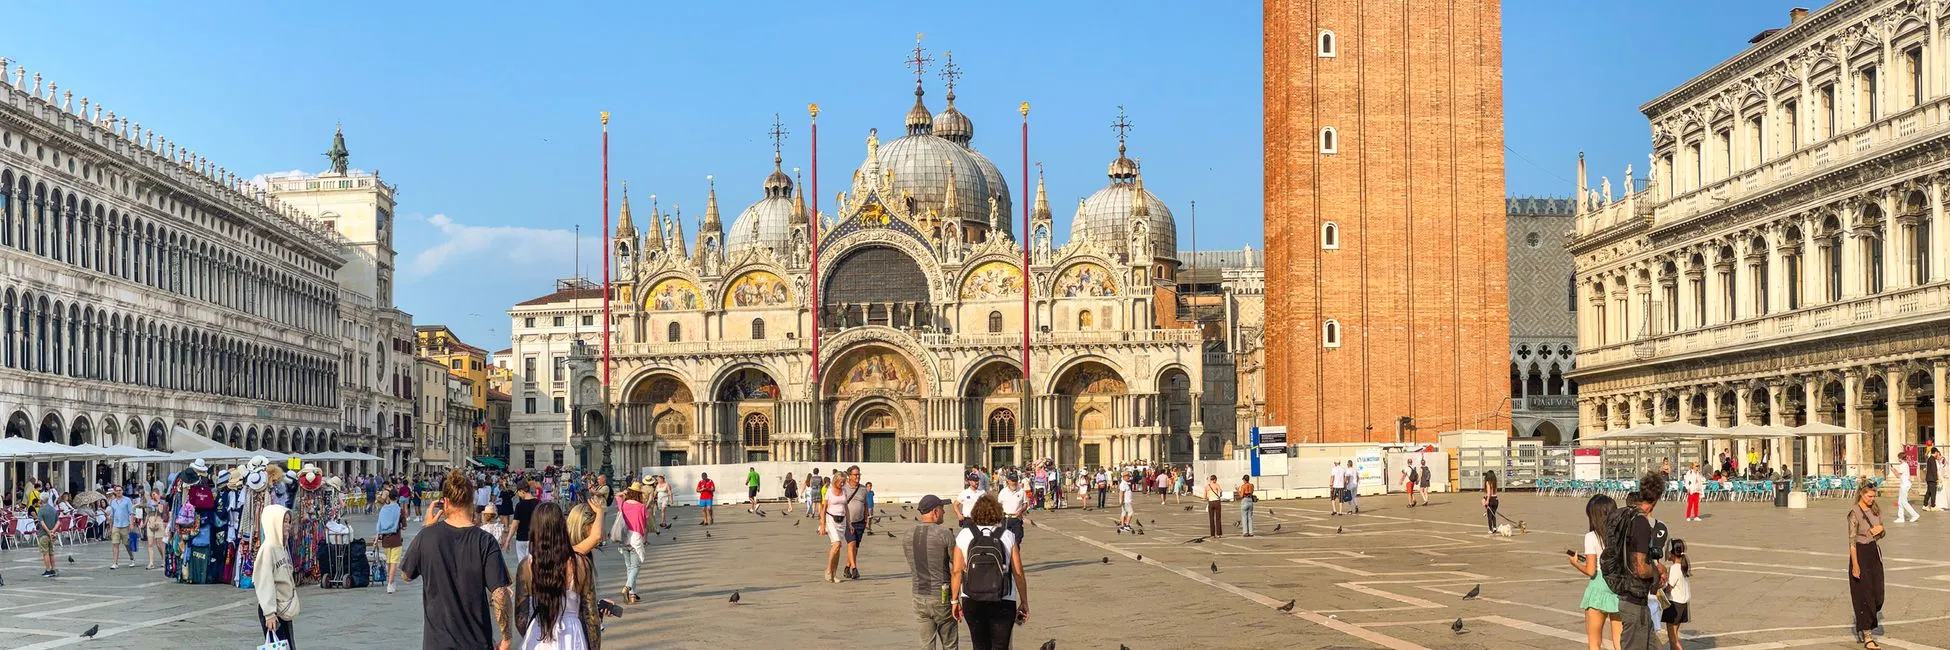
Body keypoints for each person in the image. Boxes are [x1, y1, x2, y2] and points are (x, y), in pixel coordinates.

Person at [402, 470, 516, 650]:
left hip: (436, 644)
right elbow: (500, 593)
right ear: (471, 501)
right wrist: (507, 636)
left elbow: (407, 575)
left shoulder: (427, 537)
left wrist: (426, 529)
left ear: (445, 502)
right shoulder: (485, 541)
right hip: (476, 642)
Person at [514, 502, 598, 650]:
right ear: (562, 527)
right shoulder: (581, 564)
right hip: (572, 636)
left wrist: (531, 634)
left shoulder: (526, 566)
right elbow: (591, 617)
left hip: (539, 634)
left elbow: (520, 618)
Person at [951, 494, 1028, 650]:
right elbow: (1018, 573)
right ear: (998, 512)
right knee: (1001, 646)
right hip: (1003, 598)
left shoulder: (964, 535)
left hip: (972, 598)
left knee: (979, 645)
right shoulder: (1008, 536)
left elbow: (957, 571)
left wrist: (954, 601)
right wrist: (1024, 601)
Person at [1610, 472, 1669, 650]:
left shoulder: (1620, 516)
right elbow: (1641, 569)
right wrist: (1659, 570)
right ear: (1656, 499)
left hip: (1625, 592)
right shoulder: (1641, 522)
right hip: (1634, 600)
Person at [903, 495, 958, 650]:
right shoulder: (944, 533)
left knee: (926, 644)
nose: (944, 513)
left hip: (918, 595)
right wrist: (956, 599)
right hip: (942, 596)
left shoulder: (908, 535)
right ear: (935, 511)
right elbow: (957, 567)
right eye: (942, 510)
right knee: (950, 644)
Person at [1574, 494, 1621, 650]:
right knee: (1619, 640)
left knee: (1594, 642)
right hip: (1618, 585)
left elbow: (1591, 570)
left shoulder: (1591, 537)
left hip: (1599, 586)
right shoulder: (1621, 535)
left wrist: (1575, 563)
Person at [253, 503, 300, 648]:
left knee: (288, 646)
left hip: (283, 608)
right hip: (274, 610)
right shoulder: (268, 549)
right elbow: (263, 581)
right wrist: (269, 613)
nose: (288, 525)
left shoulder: (282, 547)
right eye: (284, 522)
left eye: (288, 521)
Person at [1848, 483, 1885, 650]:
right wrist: (1855, 564)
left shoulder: (1876, 510)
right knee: (1865, 595)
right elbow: (1851, 541)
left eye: (1874, 496)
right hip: (1860, 554)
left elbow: (1881, 533)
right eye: (1869, 496)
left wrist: (1881, 530)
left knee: (1878, 595)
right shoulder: (1854, 513)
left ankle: (1868, 622)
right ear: (1861, 495)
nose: (1872, 499)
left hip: (1874, 553)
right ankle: (1867, 633)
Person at [617, 484, 649, 604]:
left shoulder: (624, 505)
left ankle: (632, 595)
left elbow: (617, 496)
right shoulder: (642, 507)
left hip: (624, 537)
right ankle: (627, 587)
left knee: (629, 568)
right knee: (635, 567)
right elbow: (645, 524)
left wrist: (624, 493)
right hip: (636, 538)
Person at [1661, 539, 1692, 650]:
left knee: (1672, 638)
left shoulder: (1674, 568)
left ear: (1672, 554)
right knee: (1674, 634)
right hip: (1682, 604)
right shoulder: (1684, 566)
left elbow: (1669, 587)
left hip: (1674, 604)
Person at [841, 466, 869, 579]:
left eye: (859, 474)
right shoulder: (844, 488)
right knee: (851, 543)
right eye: (855, 475)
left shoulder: (863, 489)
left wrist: (866, 520)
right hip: (847, 522)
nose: (857, 477)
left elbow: (866, 505)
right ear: (849, 476)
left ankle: (847, 568)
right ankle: (854, 569)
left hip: (860, 522)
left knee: (855, 548)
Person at [376, 490, 407, 593]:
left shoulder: (383, 509)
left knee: (389, 562)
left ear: (389, 498)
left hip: (385, 539)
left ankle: (390, 581)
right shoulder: (399, 510)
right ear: (397, 498)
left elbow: (379, 525)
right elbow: (404, 527)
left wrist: (377, 538)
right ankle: (390, 584)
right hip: (396, 539)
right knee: (394, 563)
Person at [512, 482, 541, 565]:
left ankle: (524, 577)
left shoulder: (519, 505)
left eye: (518, 492)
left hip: (521, 537)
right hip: (535, 537)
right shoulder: (538, 503)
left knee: (522, 563)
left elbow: (514, 524)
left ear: (522, 491)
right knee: (533, 562)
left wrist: (508, 540)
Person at [105, 486, 133, 569]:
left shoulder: (127, 500)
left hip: (125, 525)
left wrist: (131, 523)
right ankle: (115, 563)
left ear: (122, 491)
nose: (118, 492)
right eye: (117, 491)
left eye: (120, 490)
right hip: (116, 525)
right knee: (115, 544)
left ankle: (132, 558)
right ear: (115, 492)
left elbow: (131, 513)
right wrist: (110, 526)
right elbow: (112, 515)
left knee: (126, 544)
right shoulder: (113, 502)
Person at [143, 489, 167, 570]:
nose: (154, 496)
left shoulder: (162, 502)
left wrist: (158, 501)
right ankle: (151, 562)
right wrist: (144, 523)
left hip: (159, 521)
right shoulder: (149, 502)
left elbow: (161, 511)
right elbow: (148, 514)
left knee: (159, 543)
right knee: (150, 543)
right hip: (151, 521)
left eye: (155, 494)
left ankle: (164, 559)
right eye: (152, 494)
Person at [34, 494, 57, 577]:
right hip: (53, 534)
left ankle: (48, 570)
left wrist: (48, 531)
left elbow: (42, 523)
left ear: (41, 500)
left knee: (45, 553)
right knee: (51, 552)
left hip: (44, 534)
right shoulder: (53, 509)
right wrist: (53, 531)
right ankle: (53, 569)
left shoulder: (41, 510)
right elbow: (58, 522)